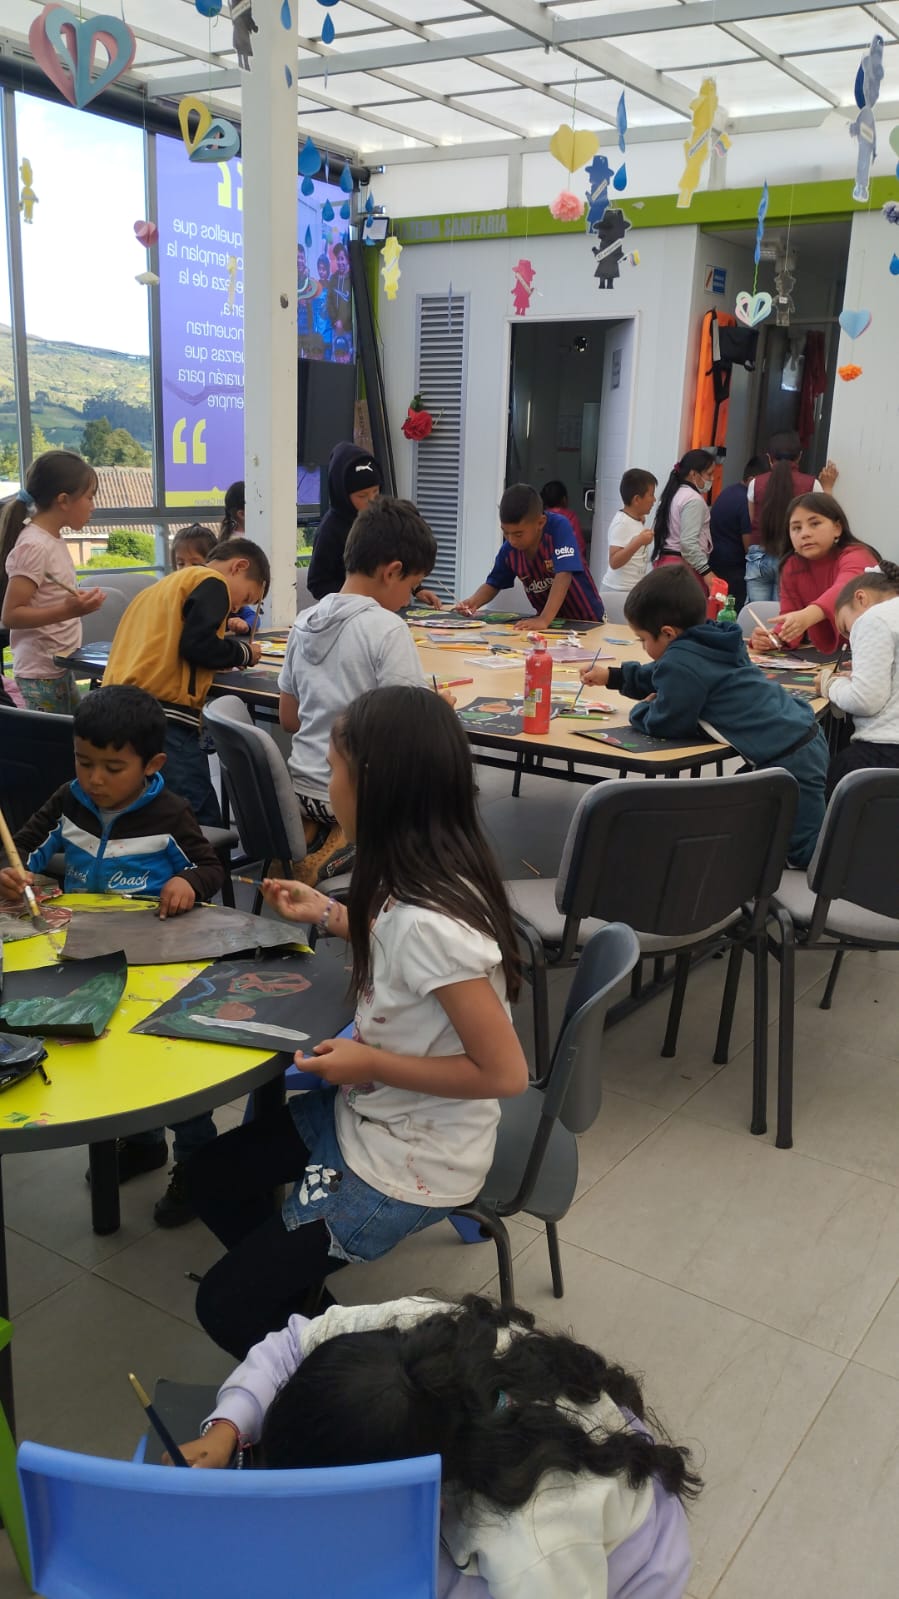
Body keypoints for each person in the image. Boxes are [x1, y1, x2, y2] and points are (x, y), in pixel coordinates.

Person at [186, 687, 528, 1359]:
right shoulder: (414, 873)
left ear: (371, 785)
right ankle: (306, 1305)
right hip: (372, 1118)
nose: (324, 777)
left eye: (333, 763)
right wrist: (327, 913)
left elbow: (504, 1072)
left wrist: (366, 1063)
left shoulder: (431, 919)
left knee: (224, 1305)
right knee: (209, 1177)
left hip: (408, 1160)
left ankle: (351, 1373)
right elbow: (396, 945)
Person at [178, 1294, 701, 1599]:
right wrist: (228, 1427)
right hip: (549, 1431)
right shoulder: (407, 1340)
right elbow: (292, 1343)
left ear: (414, 1488)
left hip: (624, 1559)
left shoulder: (532, 1546)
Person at [0, 685, 225, 1225]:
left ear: (153, 765)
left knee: (172, 1067)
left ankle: (196, 1165)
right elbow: (28, 845)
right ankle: (143, 1143)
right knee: (112, 1058)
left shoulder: (169, 813)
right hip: (88, 956)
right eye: (84, 762)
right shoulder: (70, 799)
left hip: (159, 962)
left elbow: (212, 868)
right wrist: (14, 875)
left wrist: (189, 884)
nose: (95, 779)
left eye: (112, 767)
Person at [580, 563, 828, 866]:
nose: (642, 647)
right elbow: (660, 673)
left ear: (668, 633)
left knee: (805, 850)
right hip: (799, 734)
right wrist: (613, 676)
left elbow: (666, 722)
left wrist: (642, 708)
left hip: (790, 755)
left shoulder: (682, 663)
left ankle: (846, 882)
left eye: (643, 639)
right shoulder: (710, 639)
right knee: (757, 817)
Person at [279, 498, 437, 884]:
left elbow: (288, 718)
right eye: (412, 588)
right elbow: (409, 733)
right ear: (393, 571)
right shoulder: (387, 629)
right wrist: (437, 708)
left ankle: (316, 838)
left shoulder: (304, 622)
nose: (408, 601)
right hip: (350, 795)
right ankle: (354, 846)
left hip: (298, 789)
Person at [103, 537, 269, 826]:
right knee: (197, 818)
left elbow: (174, 646)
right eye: (246, 598)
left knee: (148, 814)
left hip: (118, 708)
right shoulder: (212, 581)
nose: (236, 608)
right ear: (239, 566)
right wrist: (244, 652)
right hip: (162, 716)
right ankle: (212, 872)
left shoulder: (162, 587)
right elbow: (196, 645)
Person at [0, 450, 105, 712]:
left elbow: (46, 595)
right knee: (53, 748)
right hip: (40, 674)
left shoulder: (51, 539)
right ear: (64, 500)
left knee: (70, 741)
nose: (93, 506)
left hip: (58, 666)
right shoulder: (35, 545)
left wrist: (72, 603)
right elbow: (11, 615)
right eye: (89, 497)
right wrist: (69, 610)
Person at [458, 482, 605, 629]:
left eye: (518, 534)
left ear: (540, 523)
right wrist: (473, 602)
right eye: (505, 532)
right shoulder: (509, 550)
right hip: (550, 627)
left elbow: (564, 574)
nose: (511, 540)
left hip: (588, 621)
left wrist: (543, 619)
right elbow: (493, 583)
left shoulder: (558, 527)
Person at [749, 494, 879, 657]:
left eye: (815, 523)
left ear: (837, 528)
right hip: (825, 659)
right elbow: (791, 617)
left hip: (871, 653)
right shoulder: (792, 566)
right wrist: (774, 638)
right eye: (796, 528)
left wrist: (806, 616)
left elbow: (845, 588)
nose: (805, 534)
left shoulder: (858, 555)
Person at [819, 560, 899, 798]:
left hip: (883, 756)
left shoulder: (873, 618)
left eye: (846, 628)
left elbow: (864, 700)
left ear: (861, 598)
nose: (849, 638)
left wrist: (830, 684)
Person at [745, 432, 837, 602]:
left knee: (755, 616)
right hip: (792, 558)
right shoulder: (811, 484)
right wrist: (828, 488)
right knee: (783, 618)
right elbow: (827, 519)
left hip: (758, 557)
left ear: (769, 458)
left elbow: (753, 521)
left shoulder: (755, 483)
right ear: (799, 457)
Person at [650, 451, 719, 595]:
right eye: (709, 474)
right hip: (682, 571)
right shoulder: (693, 500)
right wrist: (706, 572)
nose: (712, 479)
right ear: (693, 474)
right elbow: (688, 543)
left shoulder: (673, 494)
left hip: (665, 564)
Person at [173, 523, 258, 637]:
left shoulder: (222, 596)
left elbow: (253, 617)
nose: (186, 569)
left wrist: (246, 625)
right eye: (180, 563)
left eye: (195, 564)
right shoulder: (177, 597)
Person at [708, 455, 768, 611]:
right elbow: (750, 546)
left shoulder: (728, 491)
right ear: (752, 479)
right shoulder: (745, 501)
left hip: (718, 565)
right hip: (734, 573)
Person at [599, 468, 658, 593]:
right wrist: (639, 542)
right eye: (651, 495)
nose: (654, 500)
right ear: (637, 499)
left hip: (630, 589)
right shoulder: (622, 523)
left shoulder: (634, 519)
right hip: (617, 590)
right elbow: (614, 562)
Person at [541, 479, 588, 562]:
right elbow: (579, 544)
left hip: (544, 565)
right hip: (567, 564)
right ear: (564, 499)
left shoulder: (539, 518)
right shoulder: (570, 517)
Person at [326, 242, 351, 341]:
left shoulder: (352, 279)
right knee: (336, 355)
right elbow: (329, 302)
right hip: (335, 329)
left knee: (346, 356)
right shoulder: (333, 279)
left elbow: (351, 305)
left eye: (342, 259)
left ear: (347, 259)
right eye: (338, 259)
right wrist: (336, 321)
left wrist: (343, 322)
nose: (340, 262)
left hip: (348, 330)